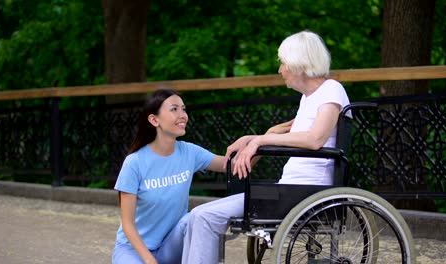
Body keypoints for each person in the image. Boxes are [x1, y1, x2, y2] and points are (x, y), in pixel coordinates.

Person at [181, 30, 351, 264]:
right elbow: (294, 132)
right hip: (290, 190)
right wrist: (256, 137)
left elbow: (314, 139)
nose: (280, 70)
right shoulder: (311, 98)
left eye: (283, 63)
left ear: (298, 64)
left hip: (306, 193)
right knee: (196, 216)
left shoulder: (331, 89)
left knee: (205, 216)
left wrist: (261, 140)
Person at [112, 89, 225, 264]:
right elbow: (128, 224)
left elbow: (230, 165)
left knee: (194, 219)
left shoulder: (189, 152)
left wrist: (260, 141)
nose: (183, 115)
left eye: (184, 109)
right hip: (134, 251)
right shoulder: (134, 163)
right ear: (154, 119)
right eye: (174, 109)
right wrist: (150, 261)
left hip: (170, 246)